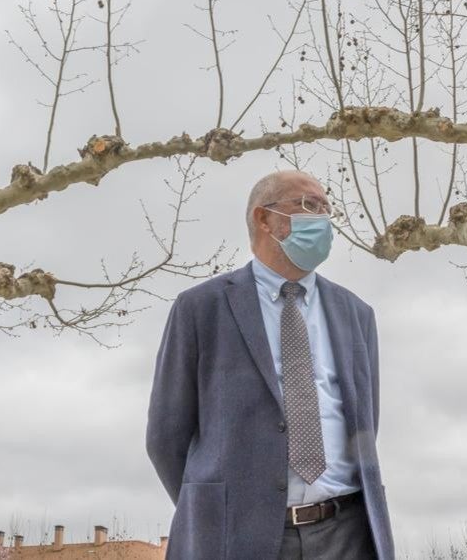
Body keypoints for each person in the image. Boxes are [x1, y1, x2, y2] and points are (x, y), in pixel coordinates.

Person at [146, 170, 392, 560]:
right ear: (264, 219)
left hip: (348, 533)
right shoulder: (200, 308)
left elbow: (365, 424)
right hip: (236, 536)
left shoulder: (356, 314)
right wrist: (215, 509)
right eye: (310, 205)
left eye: (328, 209)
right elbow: (166, 436)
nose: (324, 218)